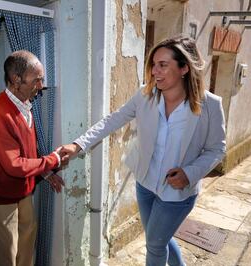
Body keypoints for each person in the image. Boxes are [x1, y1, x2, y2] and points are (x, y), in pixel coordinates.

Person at [60, 35, 226, 266]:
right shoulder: (145, 95)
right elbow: (113, 120)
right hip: (145, 183)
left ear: (184, 68)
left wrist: (190, 173)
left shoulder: (209, 105)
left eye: (163, 65)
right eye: (153, 65)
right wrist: (78, 144)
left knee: (155, 246)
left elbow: (216, 149)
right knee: (158, 239)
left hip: (177, 192)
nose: (154, 71)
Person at [0, 50, 66, 266]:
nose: (41, 85)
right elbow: (14, 165)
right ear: (16, 79)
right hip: (0, 199)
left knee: (26, 250)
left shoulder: (25, 106)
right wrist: (53, 160)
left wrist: (45, 173)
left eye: (42, 79)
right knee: (6, 257)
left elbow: (26, 152)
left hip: (23, 193)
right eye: (37, 79)